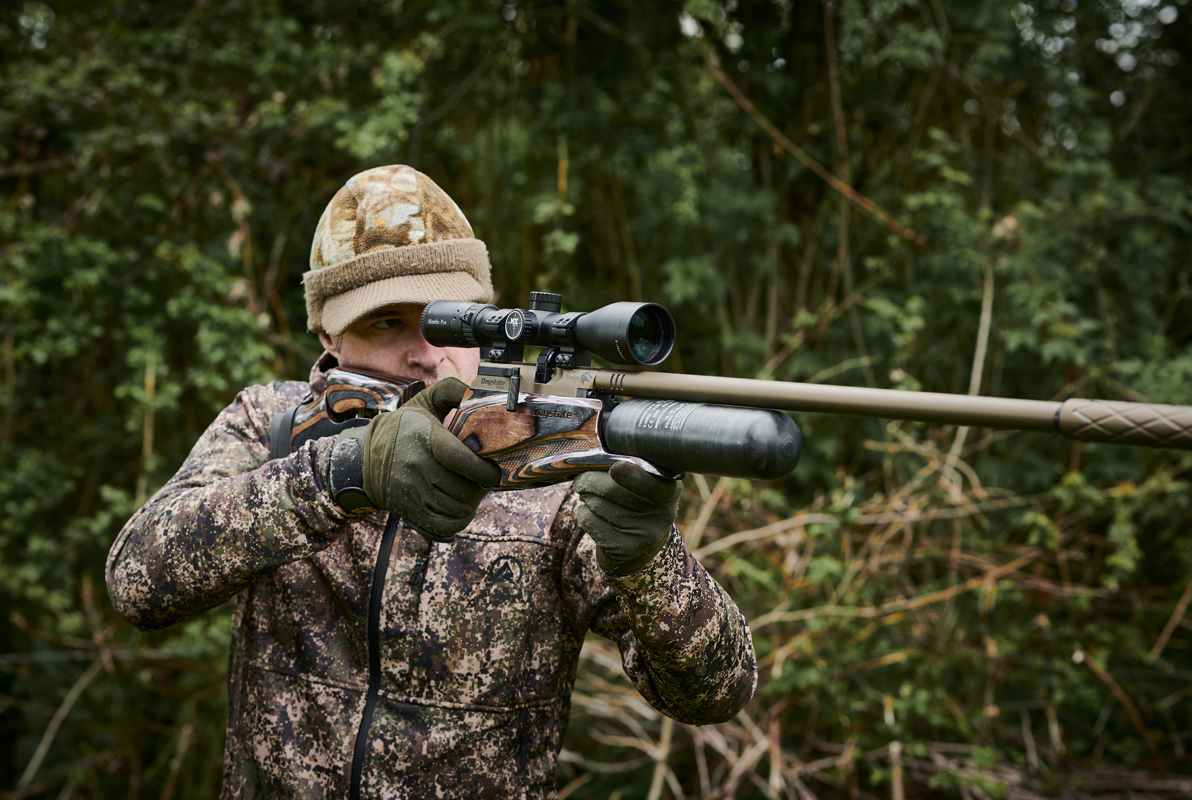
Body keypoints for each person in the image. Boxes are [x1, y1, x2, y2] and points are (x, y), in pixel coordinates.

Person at [106, 164, 756, 799]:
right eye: (387, 323)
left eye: (452, 321)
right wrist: (342, 474)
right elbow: (137, 580)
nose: (425, 351)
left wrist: (648, 558)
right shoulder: (269, 423)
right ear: (329, 333)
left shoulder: (551, 466)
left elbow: (715, 690)